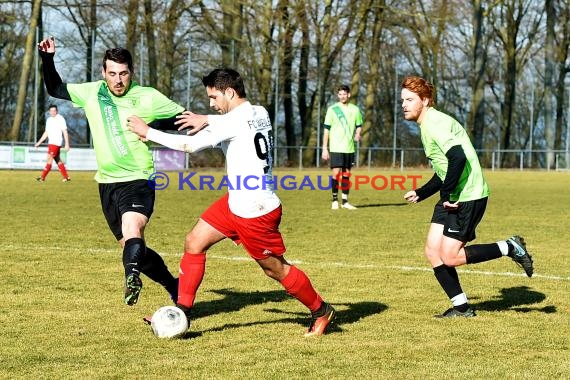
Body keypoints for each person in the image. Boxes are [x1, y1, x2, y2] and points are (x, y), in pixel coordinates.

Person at [128, 68, 336, 337]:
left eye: (214, 98)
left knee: (276, 270)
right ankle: (181, 311)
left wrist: (148, 132)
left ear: (230, 92)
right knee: (194, 241)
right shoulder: (259, 111)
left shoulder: (229, 123)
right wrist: (208, 119)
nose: (212, 104)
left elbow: (190, 146)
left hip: (254, 211)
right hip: (236, 201)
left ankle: (321, 311)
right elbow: (233, 121)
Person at [37, 36, 181, 307]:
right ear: (103, 73)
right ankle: (174, 285)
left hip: (139, 177)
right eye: (112, 73)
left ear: (131, 73)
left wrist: (150, 127)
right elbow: (55, 87)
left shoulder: (147, 97)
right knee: (130, 244)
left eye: (123, 73)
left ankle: (131, 277)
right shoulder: (93, 92)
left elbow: (183, 119)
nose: (118, 80)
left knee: (132, 227)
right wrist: (47, 59)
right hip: (106, 182)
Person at [400, 75, 534, 318]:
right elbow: (445, 169)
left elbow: (458, 158)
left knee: (450, 256)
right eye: (402, 100)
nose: (404, 104)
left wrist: (447, 193)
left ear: (426, 100)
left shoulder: (434, 123)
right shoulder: (427, 124)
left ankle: (509, 247)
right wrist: (423, 192)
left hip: (467, 195)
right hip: (453, 193)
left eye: (410, 99)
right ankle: (462, 308)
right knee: (433, 251)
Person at [321, 85, 363, 210]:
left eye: (344, 94)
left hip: (349, 148)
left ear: (348, 95)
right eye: (340, 94)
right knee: (336, 173)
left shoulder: (355, 109)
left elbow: (359, 124)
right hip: (336, 147)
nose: (342, 96)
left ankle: (345, 201)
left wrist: (358, 133)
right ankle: (334, 200)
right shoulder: (332, 109)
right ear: (338, 96)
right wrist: (324, 148)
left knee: (347, 174)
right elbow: (326, 130)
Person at [34, 104, 71, 182]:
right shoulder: (49, 120)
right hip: (51, 143)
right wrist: (39, 142)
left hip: (56, 143)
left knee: (49, 158)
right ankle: (66, 177)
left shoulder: (60, 118)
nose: (53, 112)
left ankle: (42, 177)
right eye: (51, 111)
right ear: (49, 112)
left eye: (54, 111)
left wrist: (67, 144)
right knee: (58, 160)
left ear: (56, 111)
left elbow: (65, 131)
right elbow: (46, 133)